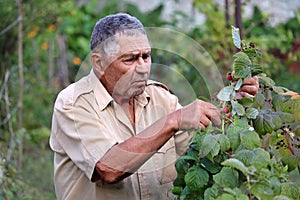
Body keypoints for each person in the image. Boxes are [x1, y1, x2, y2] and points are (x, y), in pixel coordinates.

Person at [50, 13, 259, 200]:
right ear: (99, 63)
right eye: (130, 59)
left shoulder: (160, 97)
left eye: (146, 56)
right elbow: (108, 168)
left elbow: (201, 147)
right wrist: (172, 121)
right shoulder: (73, 103)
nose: (142, 68)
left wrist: (233, 102)